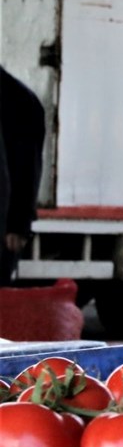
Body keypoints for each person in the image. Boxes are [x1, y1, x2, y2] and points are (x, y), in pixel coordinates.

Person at [0, 65, 45, 285]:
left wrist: (18, 225)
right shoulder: (21, 98)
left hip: (6, 227)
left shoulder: (19, 101)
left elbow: (27, 170)